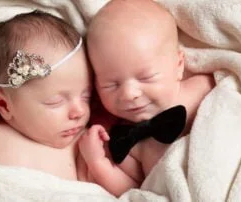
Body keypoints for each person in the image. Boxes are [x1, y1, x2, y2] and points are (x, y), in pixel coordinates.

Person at [79, 0, 215, 196]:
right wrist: (97, 162)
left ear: (178, 65)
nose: (129, 94)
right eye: (110, 84)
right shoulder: (125, 140)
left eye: (146, 77)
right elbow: (132, 190)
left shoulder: (203, 87)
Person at [0, 11, 93, 182]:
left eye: (87, 96)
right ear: (4, 105)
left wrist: (99, 162)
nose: (79, 111)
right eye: (55, 102)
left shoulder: (84, 142)